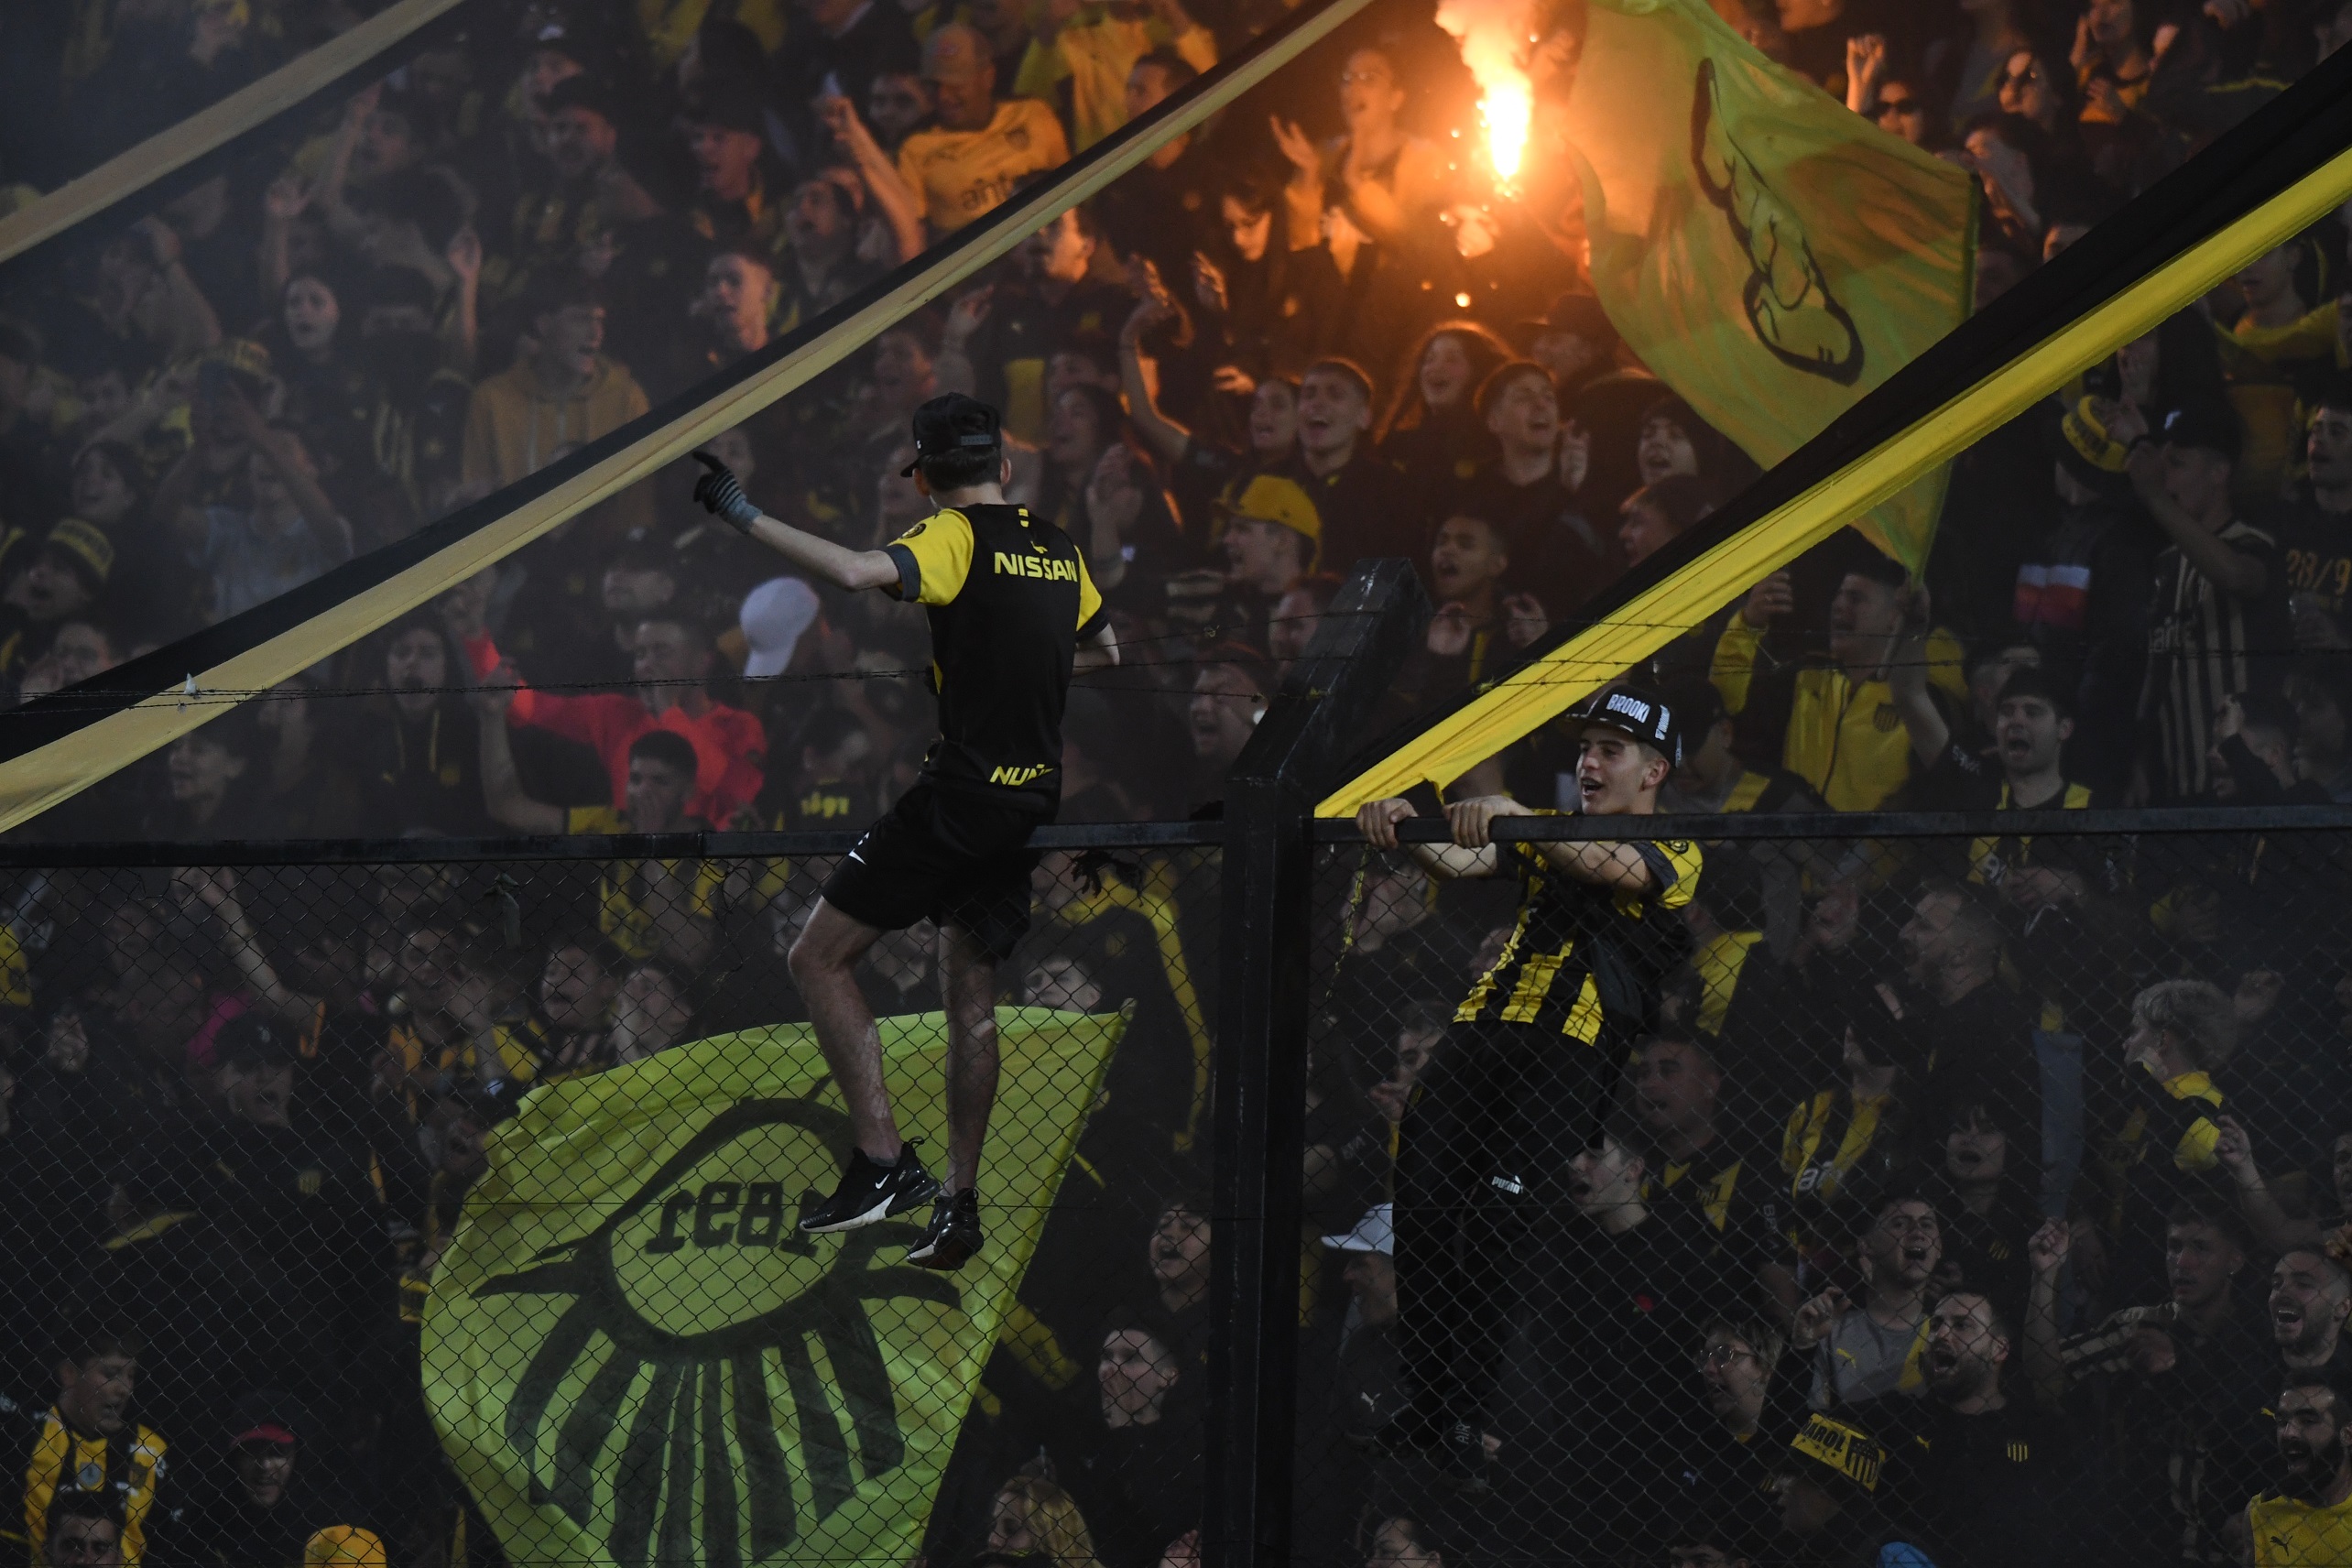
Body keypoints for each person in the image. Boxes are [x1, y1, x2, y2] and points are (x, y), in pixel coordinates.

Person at [691, 393, 1117, 1269]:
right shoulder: (1060, 549)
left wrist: (745, 514)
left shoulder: (952, 537)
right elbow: (1105, 651)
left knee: (815, 957)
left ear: (923, 479)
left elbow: (853, 573)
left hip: (956, 799)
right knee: (970, 998)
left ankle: (882, 1164)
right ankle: (958, 1205)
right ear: (1004, 465)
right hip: (1031, 800)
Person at [1356, 681, 1698, 1487]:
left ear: (1653, 773)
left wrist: (1513, 813)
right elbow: (1466, 853)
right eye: (1585, 749)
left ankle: (1469, 1412)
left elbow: (1605, 862)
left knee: (1505, 1224)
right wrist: (1401, 826)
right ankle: (1432, 1401)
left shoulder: (1678, 848)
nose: (1589, 762)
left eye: (1610, 751)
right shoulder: (1553, 835)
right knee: (1426, 1206)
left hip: (1567, 1053)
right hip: (1479, 1034)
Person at [0, 1325, 178, 1566]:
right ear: (69, 1374)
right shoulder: (26, 1435)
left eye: (130, 1375)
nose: (124, 1388)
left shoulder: (150, 1451)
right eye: (111, 1374)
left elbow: (166, 1544)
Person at [2249, 1372, 2352, 1568]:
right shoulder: (2262, 1512)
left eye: (2308, 1421)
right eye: (2282, 1422)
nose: (2289, 1433)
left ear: (2347, 1434)